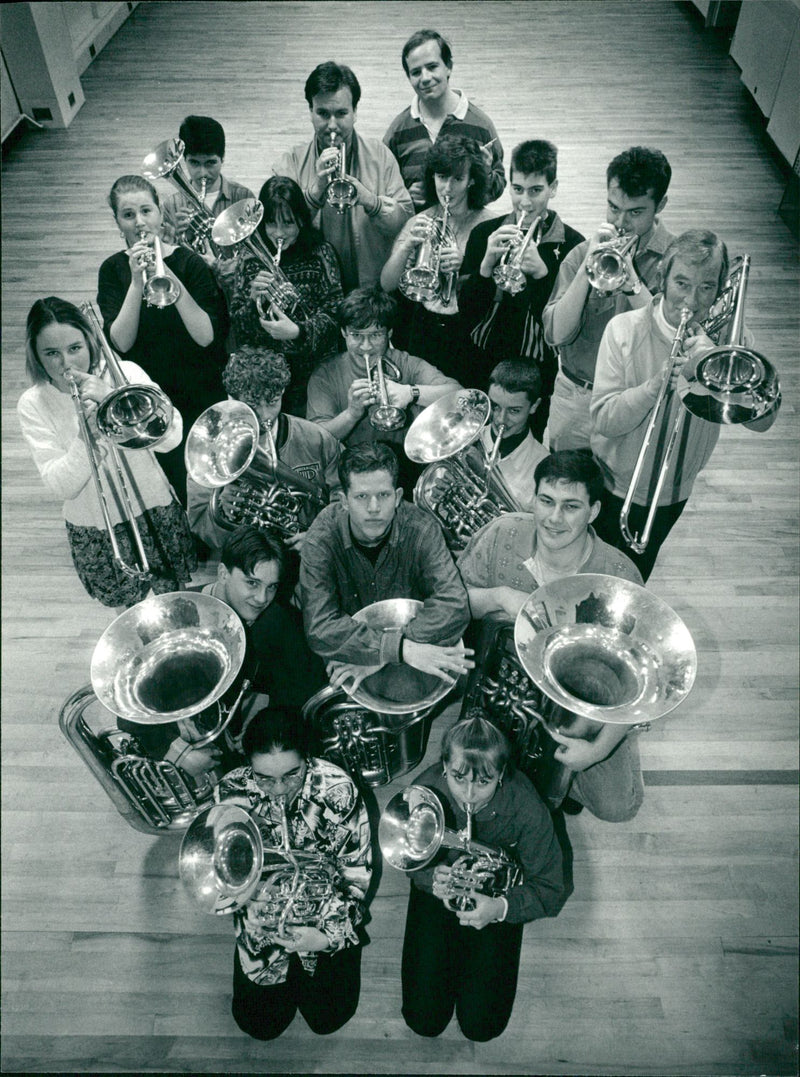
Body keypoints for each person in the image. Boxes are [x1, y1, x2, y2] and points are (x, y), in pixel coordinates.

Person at [457, 451, 644, 822]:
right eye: (546, 501)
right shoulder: (502, 533)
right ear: (534, 497)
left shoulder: (619, 576)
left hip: (580, 706)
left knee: (618, 807)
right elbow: (451, 601)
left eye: (570, 506)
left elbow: (636, 691)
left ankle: (565, 775)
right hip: (504, 690)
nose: (553, 518)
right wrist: (496, 597)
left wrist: (594, 753)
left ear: (593, 511)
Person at [17, 297, 196, 609]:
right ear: (37, 356)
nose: (66, 363)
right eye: (52, 353)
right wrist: (86, 440)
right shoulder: (33, 403)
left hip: (152, 507)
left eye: (75, 348)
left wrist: (114, 399)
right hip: (96, 527)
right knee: (133, 616)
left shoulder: (125, 372)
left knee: (175, 603)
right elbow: (63, 486)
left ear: (89, 341)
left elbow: (172, 438)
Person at [590, 229, 744, 582]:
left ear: (720, 290)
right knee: (596, 577)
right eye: (681, 283)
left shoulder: (728, 342)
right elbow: (603, 419)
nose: (692, 299)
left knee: (634, 577)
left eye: (706, 287)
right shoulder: (624, 330)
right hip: (613, 485)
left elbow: (761, 420)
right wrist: (655, 385)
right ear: (661, 279)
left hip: (673, 492)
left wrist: (716, 367)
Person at [399, 714, 564, 1041]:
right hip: (439, 890)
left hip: (498, 897)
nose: (470, 794)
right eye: (459, 778)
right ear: (444, 765)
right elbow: (408, 857)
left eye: (484, 781)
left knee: (482, 1026)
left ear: (502, 774)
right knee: (423, 1020)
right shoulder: (426, 790)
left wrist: (500, 909)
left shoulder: (528, 809)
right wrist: (432, 878)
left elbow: (551, 889)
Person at [214, 707, 371, 1040]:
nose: (279, 789)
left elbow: (356, 876)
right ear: (248, 766)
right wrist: (239, 895)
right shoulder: (230, 794)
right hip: (263, 923)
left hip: (324, 917)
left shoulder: (338, 791)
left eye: (291, 774)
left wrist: (327, 937)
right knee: (258, 1026)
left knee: (328, 1020)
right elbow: (220, 867)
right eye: (264, 778)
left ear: (308, 759)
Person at [97, 173, 230, 505]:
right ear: (117, 221)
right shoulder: (112, 270)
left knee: (207, 471)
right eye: (128, 215)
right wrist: (136, 282)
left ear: (159, 213)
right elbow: (120, 344)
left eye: (146, 211)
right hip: (151, 393)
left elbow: (206, 337)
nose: (139, 222)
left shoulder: (190, 263)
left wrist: (166, 273)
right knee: (169, 478)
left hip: (199, 385)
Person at [299, 443, 473, 690]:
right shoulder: (321, 537)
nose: (373, 508)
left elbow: (454, 604)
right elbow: (320, 627)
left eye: (383, 495)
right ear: (343, 501)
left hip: (407, 653)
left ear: (398, 497)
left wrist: (389, 651)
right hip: (358, 655)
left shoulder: (423, 528)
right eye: (361, 497)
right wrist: (400, 649)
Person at [543, 146, 675, 451]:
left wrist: (633, 285)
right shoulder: (581, 253)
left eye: (636, 212)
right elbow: (555, 335)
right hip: (575, 395)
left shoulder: (674, 261)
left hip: (631, 402)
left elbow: (670, 338)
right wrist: (587, 266)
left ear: (660, 205)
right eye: (613, 208)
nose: (622, 222)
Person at [459, 139, 584, 432]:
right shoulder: (484, 233)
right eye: (517, 190)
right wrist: (485, 267)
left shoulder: (574, 246)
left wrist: (543, 276)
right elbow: (466, 313)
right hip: (484, 358)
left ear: (553, 188)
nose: (525, 203)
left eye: (536, 191)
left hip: (540, 366)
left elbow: (563, 329)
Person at [273, 61, 413, 292]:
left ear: (355, 112)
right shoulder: (289, 162)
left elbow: (405, 224)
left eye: (341, 114)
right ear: (310, 112)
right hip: (312, 295)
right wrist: (315, 192)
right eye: (322, 113)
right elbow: (279, 233)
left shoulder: (381, 156)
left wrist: (372, 201)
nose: (332, 125)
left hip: (371, 292)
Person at [305, 286, 460, 495]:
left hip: (404, 470)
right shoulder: (325, 374)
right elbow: (315, 441)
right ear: (343, 333)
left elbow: (458, 395)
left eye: (375, 335)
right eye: (356, 335)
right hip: (350, 472)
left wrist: (411, 392)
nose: (366, 346)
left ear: (389, 333)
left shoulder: (407, 364)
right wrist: (351, 414)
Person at [187, 347, 340, 557]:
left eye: (272, 402)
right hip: (249, 561)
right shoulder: (209, 449)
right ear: (230, 398)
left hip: (315, 555)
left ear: (283, 393)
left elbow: (346, 497)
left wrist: (322, 534)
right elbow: (201, 525)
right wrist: (226, 512)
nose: (264, 415)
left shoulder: (316, 439)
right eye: (252, 405)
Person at [228, 176, 343, 415]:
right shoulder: (249, 259)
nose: (279, 233)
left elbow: (335, 314)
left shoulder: (321, 253)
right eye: (271, 223)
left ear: (302, 219)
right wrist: (252, 301)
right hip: (266, 378)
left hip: (314, 375)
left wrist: (298, 332)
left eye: (288, 223)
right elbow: (238, 328)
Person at [380, 135, 493, 374]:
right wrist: (407, 246)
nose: (448, 188)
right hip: (424, 329)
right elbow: (387, 284)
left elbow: (497, 293)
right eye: (441, 177)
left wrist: (466, 266)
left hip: (470, 332)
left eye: (458, 178)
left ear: (472, 180)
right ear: (432, 177)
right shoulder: (419, 221)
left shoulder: (489, 224)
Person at [201, 525, 327, 723]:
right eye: (252, 583)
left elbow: (301, 693)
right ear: (223, 573)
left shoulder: (278, 622)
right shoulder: (186, 614)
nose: (262, 598)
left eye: (272, 587)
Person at [383, 29, 505, 211]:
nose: (425, 78)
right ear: (409, 77)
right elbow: (384, 188)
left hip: (468, 235)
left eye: (432, 67)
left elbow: (498, 186)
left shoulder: (481, 125)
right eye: (416, 72)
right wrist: (405, 198)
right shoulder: (398, 130)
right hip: (418, 234)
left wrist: (485, 174)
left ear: (448, 67)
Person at [160, 115, 254, 292]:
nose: (203, 172)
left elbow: (253, 255)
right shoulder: (171, 205)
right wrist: (178, 239)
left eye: (211, 163)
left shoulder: (243, 196)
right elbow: (166, 263)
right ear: (183, 160)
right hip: (195, 292)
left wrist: (220, 266)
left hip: (235, 291)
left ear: (222, 158)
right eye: (194, 163)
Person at [480, 360, 548, 512]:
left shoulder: (544, 466)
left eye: (514, 411)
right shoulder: (466, 439)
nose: (501, 420)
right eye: (496, 406)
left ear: (534, 406)